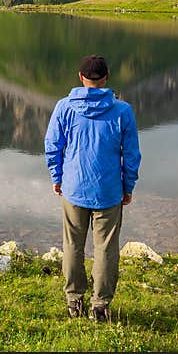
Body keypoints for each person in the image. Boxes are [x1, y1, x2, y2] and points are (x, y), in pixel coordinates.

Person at [43, 54, 141, 322]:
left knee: (73, 245)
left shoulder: (64, 107)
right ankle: (100, 306)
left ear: (81, 78)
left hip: (73, 188)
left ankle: (74, 301)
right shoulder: (123, 111)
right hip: (109, 191)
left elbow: (52, 146)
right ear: (107, 77)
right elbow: (131, 154)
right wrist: (128, 185)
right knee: (106, 249)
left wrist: (57, 177)